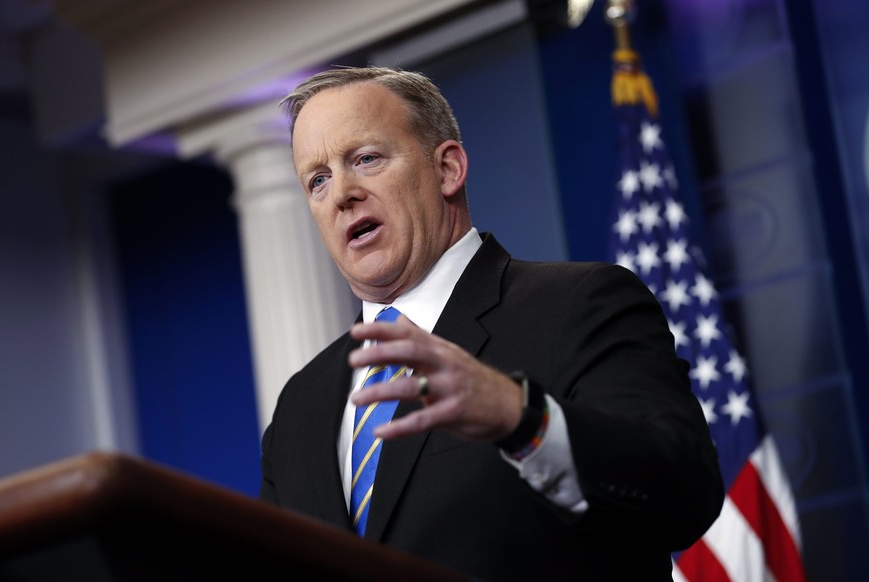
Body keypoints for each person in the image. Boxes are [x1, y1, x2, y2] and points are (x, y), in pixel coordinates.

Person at [259, 65, 724, 580]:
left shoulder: (579, 304)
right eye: (317, 180)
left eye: (366, 159)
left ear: (448, 169)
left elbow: (683, 490)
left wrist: (521, 419)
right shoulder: (301, 405)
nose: (341, 192)